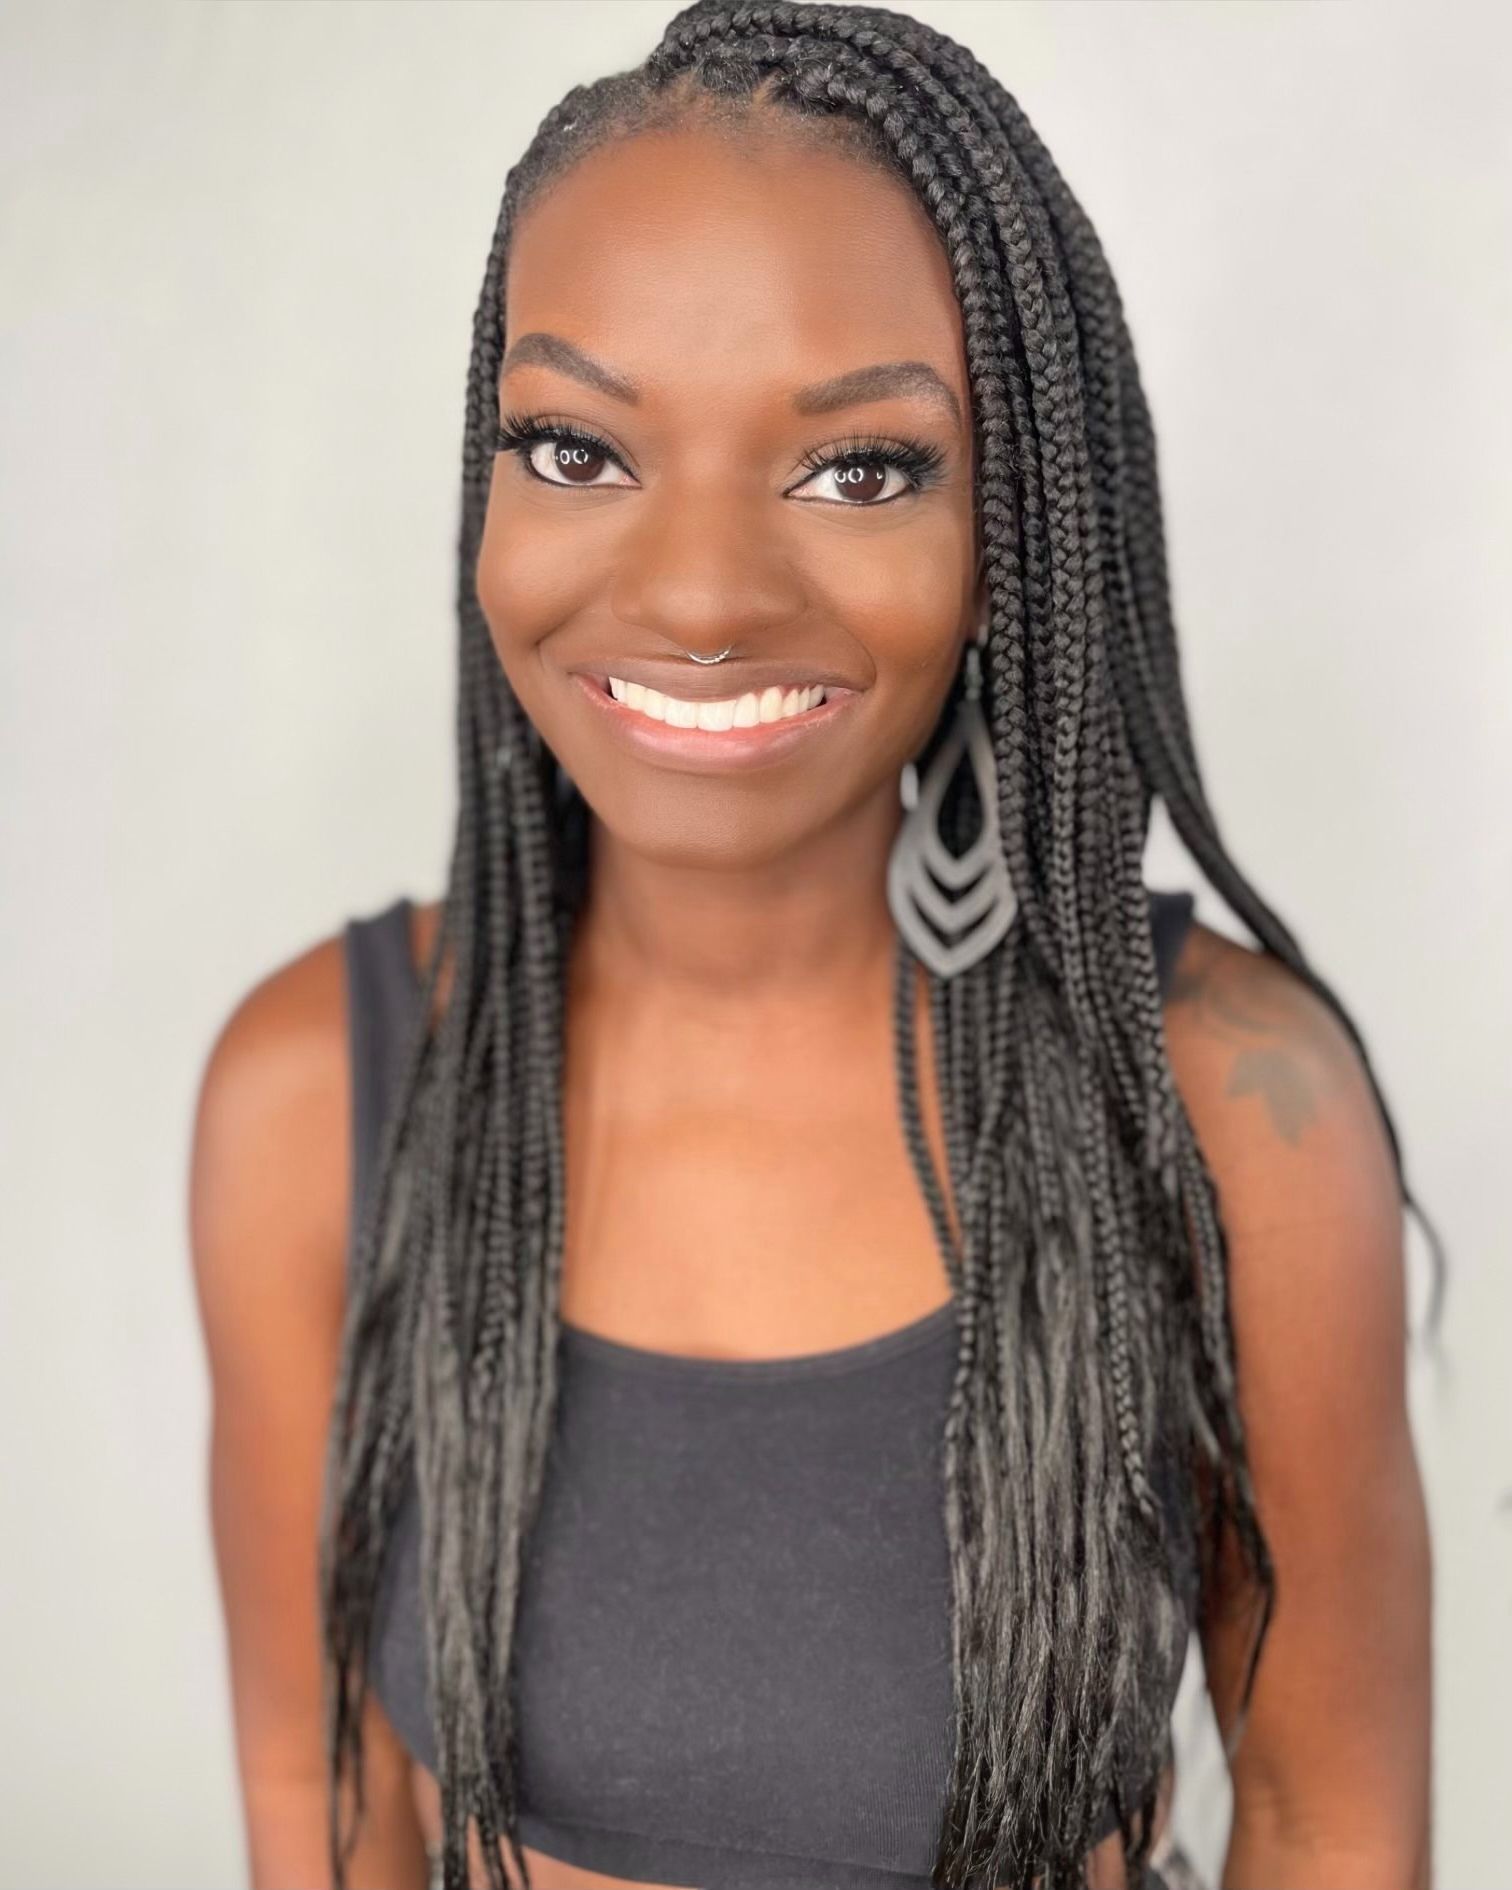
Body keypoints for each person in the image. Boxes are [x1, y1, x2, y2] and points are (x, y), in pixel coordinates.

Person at [188, 6, 1439, 1888]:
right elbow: (324, 1806)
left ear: (1016, 518)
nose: (696, 592)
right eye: (577, 445)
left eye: (859, 468)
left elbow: (1333, 1816)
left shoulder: (1234, 1108)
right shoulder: (317, 1091)